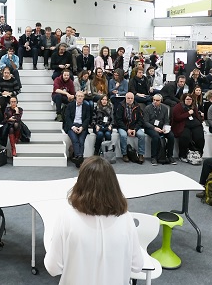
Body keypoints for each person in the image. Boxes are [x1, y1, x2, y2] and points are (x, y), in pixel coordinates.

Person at [44, 156, 143, 285]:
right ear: (113, 186)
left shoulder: (66, 217)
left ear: (80, 184)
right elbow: (137, 266)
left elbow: (53, 268)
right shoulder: (125, 218)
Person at [172, 93, 205, 165]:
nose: (189, 101)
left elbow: (197, 116)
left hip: (194, 124)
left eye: (190, 99)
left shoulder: (194, 106)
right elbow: (177, 118)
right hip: (183, 125)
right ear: (183, 100)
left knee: (199, 136)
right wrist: (187, 113)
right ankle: (182, 155)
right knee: (185, 137)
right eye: (187, 99)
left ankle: (199, 153)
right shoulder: (178, 107)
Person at [143, 94, 175, 166]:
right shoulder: (147, 108)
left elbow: (167, 120)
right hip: (151, 127)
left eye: (157, 100)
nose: (155, 102)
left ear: (161, 101)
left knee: (171, 136)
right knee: (155, 136)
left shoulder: (165, 108)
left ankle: (170, 155)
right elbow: (145, 122)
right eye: (154, 100)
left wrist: (165, 127)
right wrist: (154, 128)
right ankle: (153, 157)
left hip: (161, 127)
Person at [116, 92, 146, 164]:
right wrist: (127, 129)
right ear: (125, 98)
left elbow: (140, 120)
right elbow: (118, 120)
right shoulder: (120, 106)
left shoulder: (137, 106)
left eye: (131, 98)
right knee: (123, 135)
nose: (130, 100)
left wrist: (135, 129)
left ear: (133, 98)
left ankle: (141, 154)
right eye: (128, 98)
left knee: (142, 135)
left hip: (134, 127)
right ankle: (124, 154)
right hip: (123, 127)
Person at [64, 91, 91, 167]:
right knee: (75, 140)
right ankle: (79, 158)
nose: (80, 97)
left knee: (81, 141)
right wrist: (73, 127)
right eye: (78, 96)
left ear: (83, 98)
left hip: (82, 126)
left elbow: (87, 118)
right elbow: (67, 118)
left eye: (81, 96)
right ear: (75, 97)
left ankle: (78, 158)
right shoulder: (70, 105)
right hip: (72, 126)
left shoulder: (86, 106)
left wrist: (82, 127)